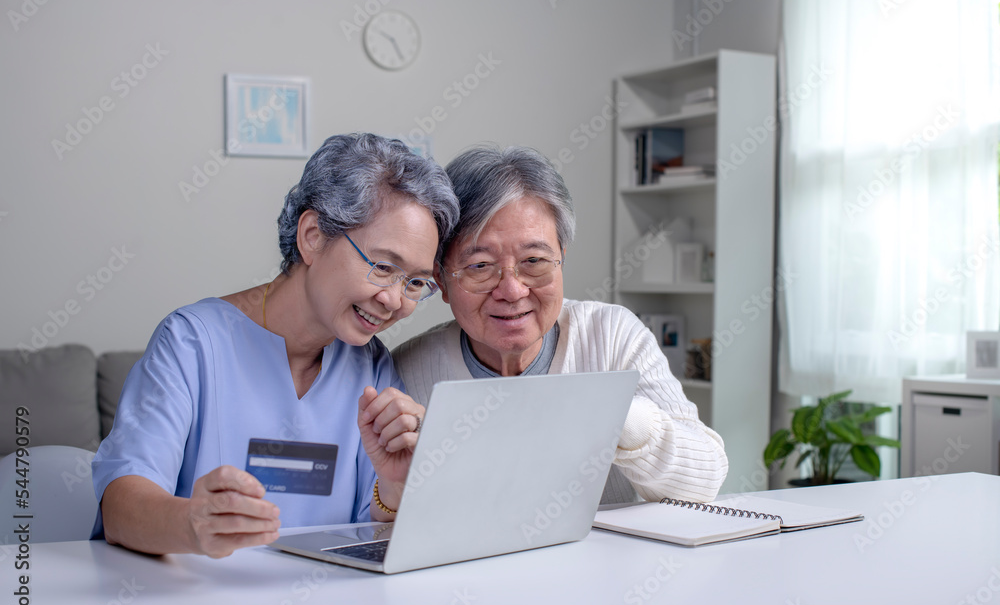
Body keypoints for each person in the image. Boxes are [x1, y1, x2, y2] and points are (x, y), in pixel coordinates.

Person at [92, 133, 459, 558]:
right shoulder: (193, 343)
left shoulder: (371, 366)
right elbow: (121, 506)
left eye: (414, 282)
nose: (395, 301)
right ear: (312, 237)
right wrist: (193, 524)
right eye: (382, 267)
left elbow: (370, 529)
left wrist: (395, 487)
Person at [392, 144, 728, 504]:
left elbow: (705, 481)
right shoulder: (410, 372)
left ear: (561, 261)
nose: (512, 290)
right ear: (442, 281)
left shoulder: (612, 336)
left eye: (534, 260)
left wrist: (621, 416)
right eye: (480, 266)